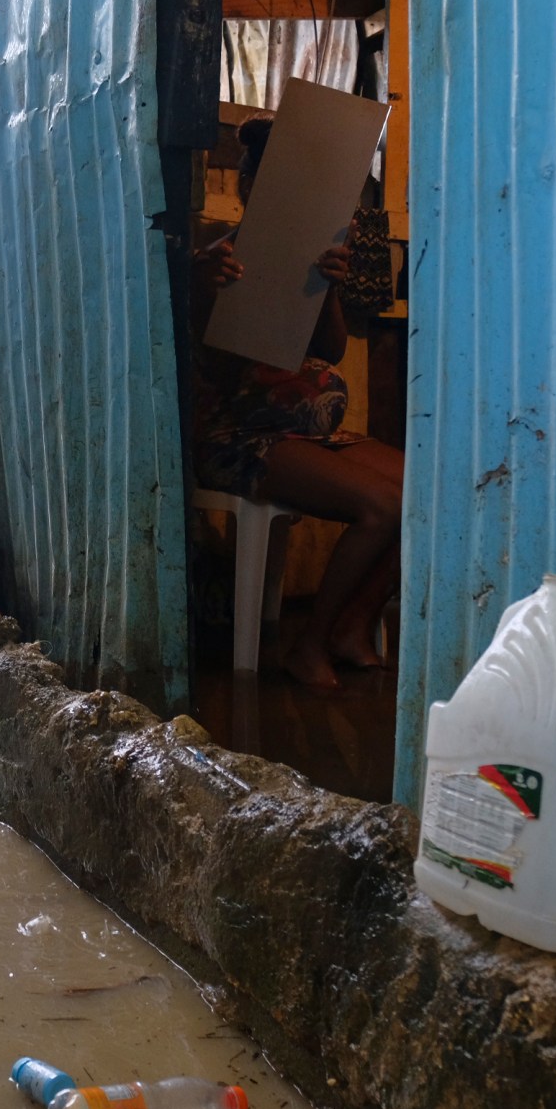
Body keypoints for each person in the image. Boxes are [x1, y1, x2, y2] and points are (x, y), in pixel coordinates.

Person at [192, 114, 403, 690]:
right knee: (382, 505)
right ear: (252, 186)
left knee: (424, 496)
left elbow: (329, 349)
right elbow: (209, 361)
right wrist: (206, 288)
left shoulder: (315, 256)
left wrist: (326, 286)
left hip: (305, 433)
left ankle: (350, 626)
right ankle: (308, 643)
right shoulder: (219, 258)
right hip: (239, 436)